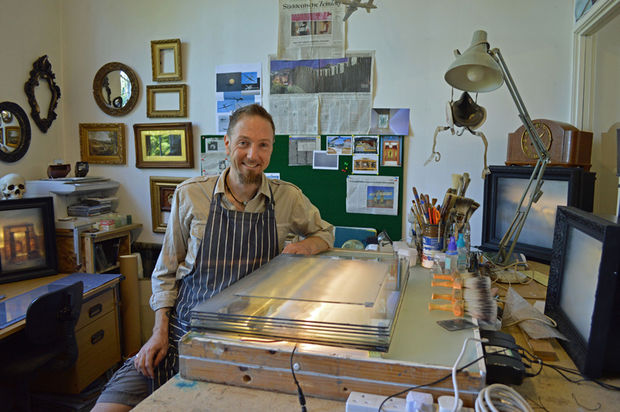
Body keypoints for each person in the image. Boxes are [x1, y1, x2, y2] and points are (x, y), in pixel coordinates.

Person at [92, 104, 333, 411]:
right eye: (244, 143)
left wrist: (304, 247)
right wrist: (158, 333)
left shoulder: (288, 197)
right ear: (228, 144)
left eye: (263, 145)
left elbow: (325, 232)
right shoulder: (190, 194)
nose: (253, 155)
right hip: (182, 334)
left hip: (248, 343)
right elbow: (165, 273)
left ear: (272, 149)